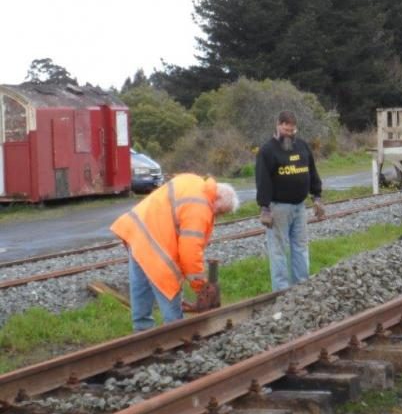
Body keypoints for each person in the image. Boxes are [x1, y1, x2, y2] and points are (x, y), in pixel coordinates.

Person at [110, 173, 239, 332]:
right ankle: (176, 336)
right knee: (169, 290)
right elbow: (189, 253)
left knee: (141, 292)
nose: (216, 216)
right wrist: (201, 288)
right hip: (156, 244)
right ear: (217, 199)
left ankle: (141, 335)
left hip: (137, 232)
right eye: (220, 212)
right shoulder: (200, 208)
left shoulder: (194, 182)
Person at [255, 110, 324, 291]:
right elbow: (263, 180)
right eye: (286, 130)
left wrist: (317, 197)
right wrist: (264, 208)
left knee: (301, 247)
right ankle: (281, 291)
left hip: (300, 207)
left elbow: (312, 172)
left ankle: (302, 287)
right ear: (278, 126)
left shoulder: (302, 147)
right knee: (278, 251)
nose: (289, 134)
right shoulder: (267, 151)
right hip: (278, 208)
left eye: (292, 131)